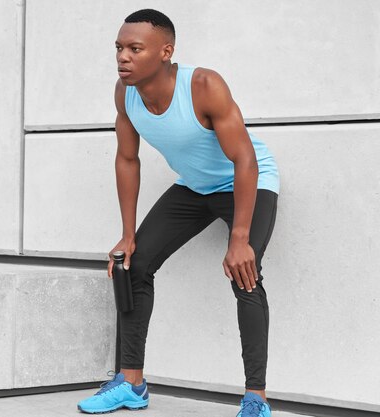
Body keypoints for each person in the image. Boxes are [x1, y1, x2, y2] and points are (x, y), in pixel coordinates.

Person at [77, 8, 279, 417]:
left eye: (135, 48)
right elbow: (127, 159)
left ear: (166, 51)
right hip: (194, 186)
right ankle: (131, 384)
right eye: (119, 48)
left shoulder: (203, 85)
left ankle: (255, 399)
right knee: (131, 266)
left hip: (248, 183)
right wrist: (127, 233)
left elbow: (245, 160)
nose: (123, 57)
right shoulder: (125, 93)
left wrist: (239, 238)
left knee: (245, 276)